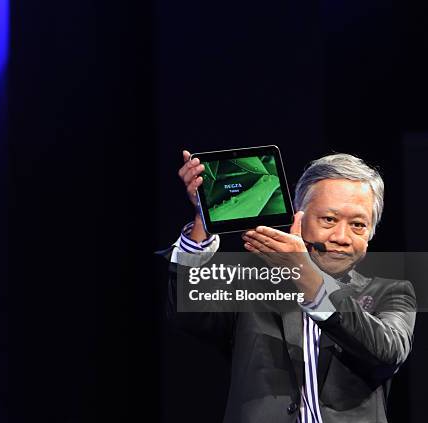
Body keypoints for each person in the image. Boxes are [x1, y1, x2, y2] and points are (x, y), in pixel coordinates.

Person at [160, 151, 416, 423]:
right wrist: (202, 223)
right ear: (299, 219)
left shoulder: (392, 292)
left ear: (371, 232)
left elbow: (385, 354)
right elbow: (188, 313)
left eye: (358, 225)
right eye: (328, 220)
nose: (342, 237)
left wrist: (306, 273)